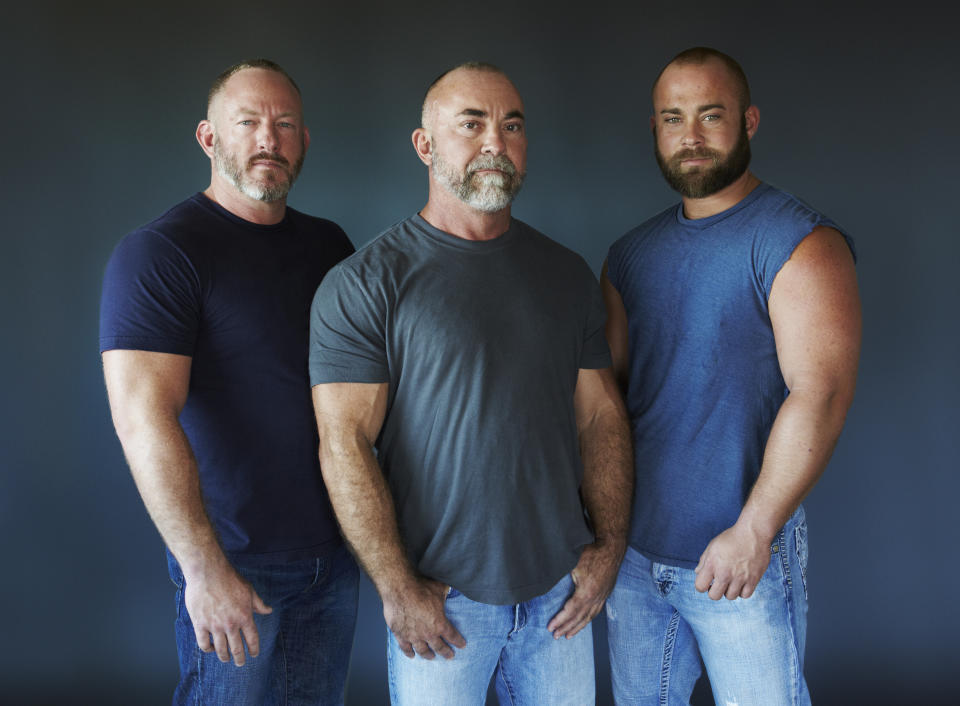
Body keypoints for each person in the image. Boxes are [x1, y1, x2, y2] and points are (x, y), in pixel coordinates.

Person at [308, 62, 633, 706]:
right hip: (444, 607)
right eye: (471, 124)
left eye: (511, 125)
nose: (495, 142)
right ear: (425, 146)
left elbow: (601, 417)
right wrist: (398, 589)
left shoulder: (565, 276)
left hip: (558, 601)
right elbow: (342, 443)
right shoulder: (366, 284)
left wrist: (608, 551)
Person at [602, 47, 862, 705]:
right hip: (635, 564)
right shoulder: (629, 256)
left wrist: (756, 530)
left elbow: (821, 394)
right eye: (672, 118)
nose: (690, 137)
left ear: (747, 122)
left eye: (709, 116)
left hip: (740, 556)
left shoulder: (800, 243)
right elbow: (608, 401)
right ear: (655, 131)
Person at [100, 59, 358, 705]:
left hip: (334, 555)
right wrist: (202, 569)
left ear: (304, 140)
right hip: (235, 559)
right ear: (209, 138)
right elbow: (142, 417)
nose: (268, 139)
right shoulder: (161, 253)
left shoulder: (329, 246)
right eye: (247, 122)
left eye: (285, 124)